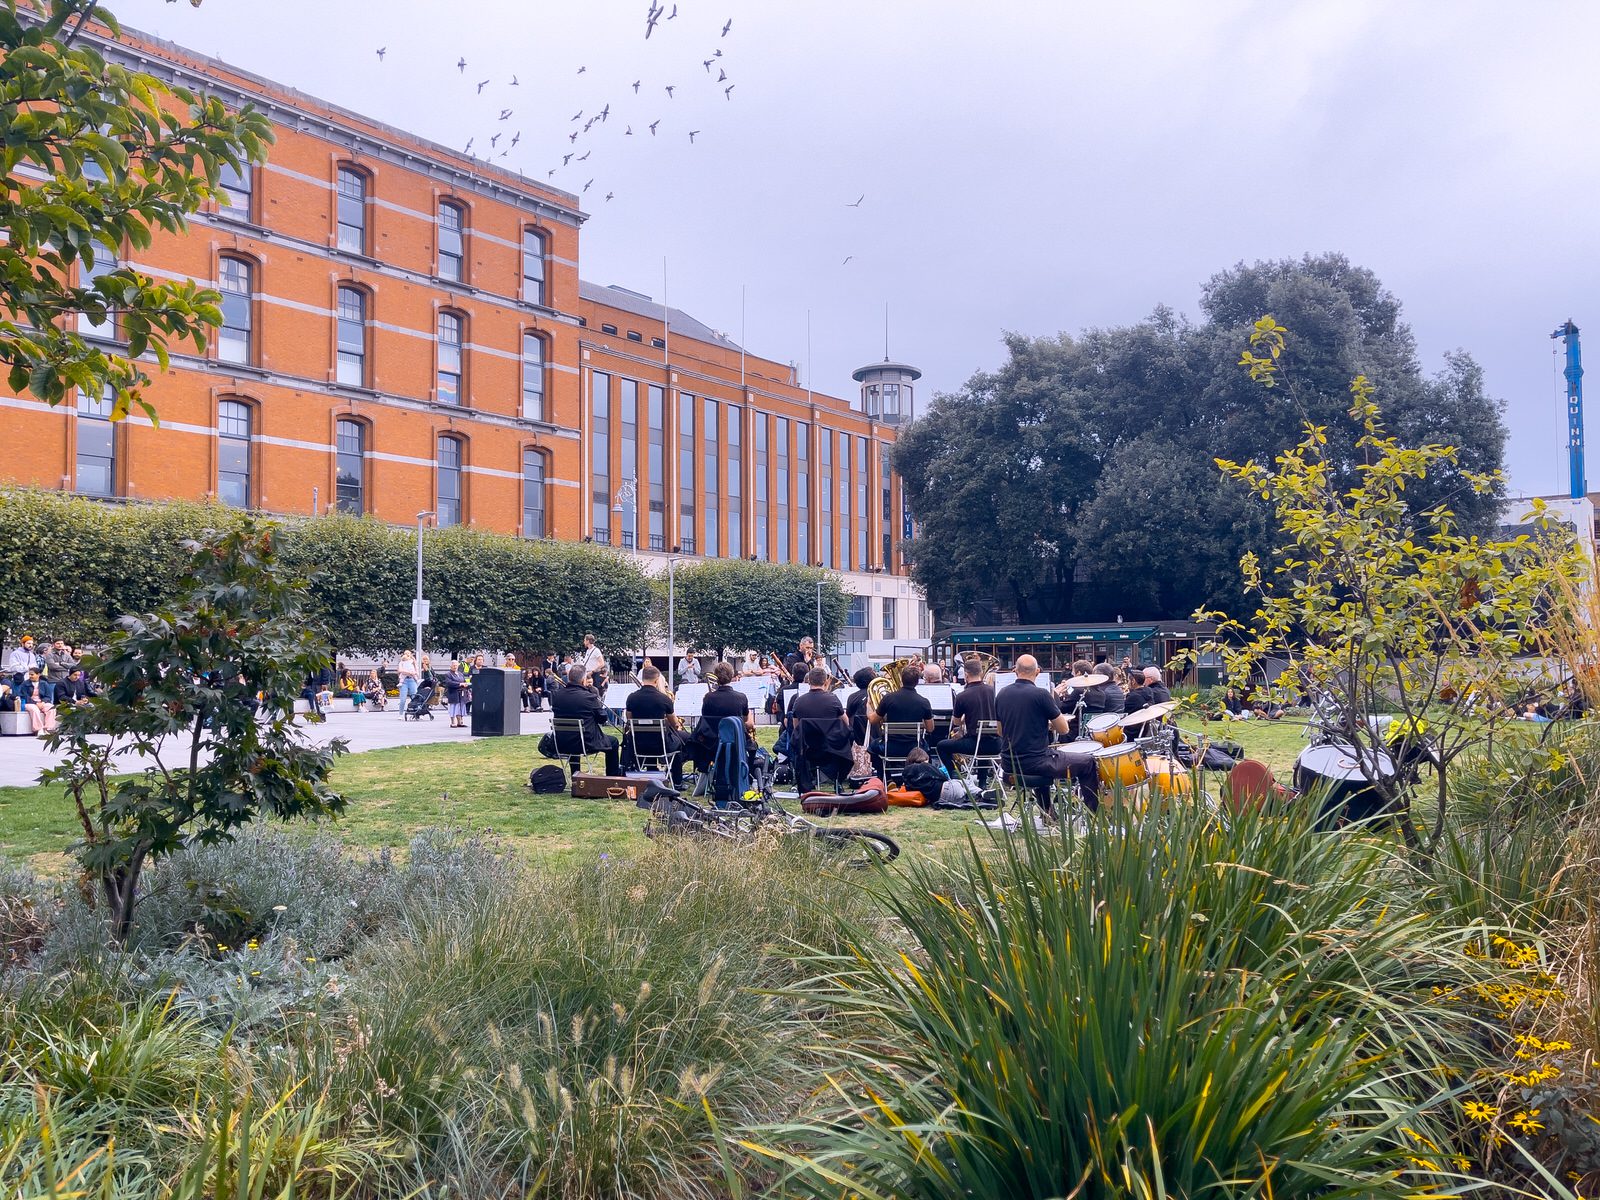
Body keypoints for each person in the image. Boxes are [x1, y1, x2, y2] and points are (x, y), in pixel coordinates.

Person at [996, 654, 1098, 817]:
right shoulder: (1041, 694)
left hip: (1008, 765)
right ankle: (1093, 816)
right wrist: (1050, 723)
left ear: (1015, 671)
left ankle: (1048, 813)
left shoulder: (1001, 694)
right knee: (1088, 763)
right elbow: (1064, 729)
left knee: (1044, 757)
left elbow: (1000, 731)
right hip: (1034, 763)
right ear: (1037, 672)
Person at [551, 662, 622, 775]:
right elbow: (602, 719)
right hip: (587, 742)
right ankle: (612, 777)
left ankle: (576, 775)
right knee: (613, 742)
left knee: (573, 738)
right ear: (584, 679)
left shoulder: (557, 695)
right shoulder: (588, 697)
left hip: (562, 742)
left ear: (569, 678)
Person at [790, 667, 855, 789]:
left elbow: (796, 728)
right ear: (825, 681)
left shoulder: (799, 701)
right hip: (832, 749)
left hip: (808, 750)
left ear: (809, 681)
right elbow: (845, 723)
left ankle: (806, 779)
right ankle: (838, 779)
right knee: (848, 735)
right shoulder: (833, 699)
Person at [938, 654, 998, 781]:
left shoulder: (962, 696)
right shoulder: (994, 691)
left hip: (974, 744)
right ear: (981, 672)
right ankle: (982, 783)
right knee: (983, 741)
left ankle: (954, 775)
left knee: (942, 746)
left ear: (965, 674)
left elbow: (956, 721)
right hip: (997, 744)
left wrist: (964, 719)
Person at [622, 663, 685, 785]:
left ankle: (651, 770)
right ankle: (677, 781)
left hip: (638, 745)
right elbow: (675, 724)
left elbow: (629, 721)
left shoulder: (631, 698)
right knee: (679, 742)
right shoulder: (664, 699)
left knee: (649, 737)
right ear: (657, 680)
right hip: (661, 746)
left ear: (642, 679)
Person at [689, 661, 757, 774]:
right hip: (735, 743)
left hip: (711, 744)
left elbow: (706, 720)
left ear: (716, 677)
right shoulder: (741, 697)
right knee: (753, 745)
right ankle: (746, 773)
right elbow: (746, 722)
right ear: (732, 676)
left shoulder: (708, 697)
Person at [870, 665, 934, 779]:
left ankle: (886, 778)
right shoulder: (924, 701)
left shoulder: (889, 698)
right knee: (928, 748)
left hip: (890, 747)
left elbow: (873, 720)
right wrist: (918, 725)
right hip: (915, 747)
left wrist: (868, 708)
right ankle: (921, 778)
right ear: (917, 682)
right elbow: (930, 729)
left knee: (872, 746)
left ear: (901, 679)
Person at [19, 667, 57, 736]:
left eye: (32, 674)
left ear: (38, 674)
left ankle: (48, 728)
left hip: (42, 702)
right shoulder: (25, 684)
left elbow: (48, 696)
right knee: (34, 709)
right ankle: (39, 729)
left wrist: (43, 702)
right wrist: (36, 703)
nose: (30, 676)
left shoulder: (44, 683)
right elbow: (25, 696)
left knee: (51, 708)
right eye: (29, 674)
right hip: (29, 703)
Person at [445, 661, 470, 728]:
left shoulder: (460, 674)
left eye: (456, 665)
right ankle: (453, 722)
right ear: (450, 666)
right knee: (453, 707)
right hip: (453, 693)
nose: (455, 667)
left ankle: (460, 722)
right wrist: (459, 684)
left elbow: (464, 681)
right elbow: (449, 683)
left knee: (461, 707)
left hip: (461, 693)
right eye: (453, 665)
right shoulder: (448, 674)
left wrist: (466, 684)